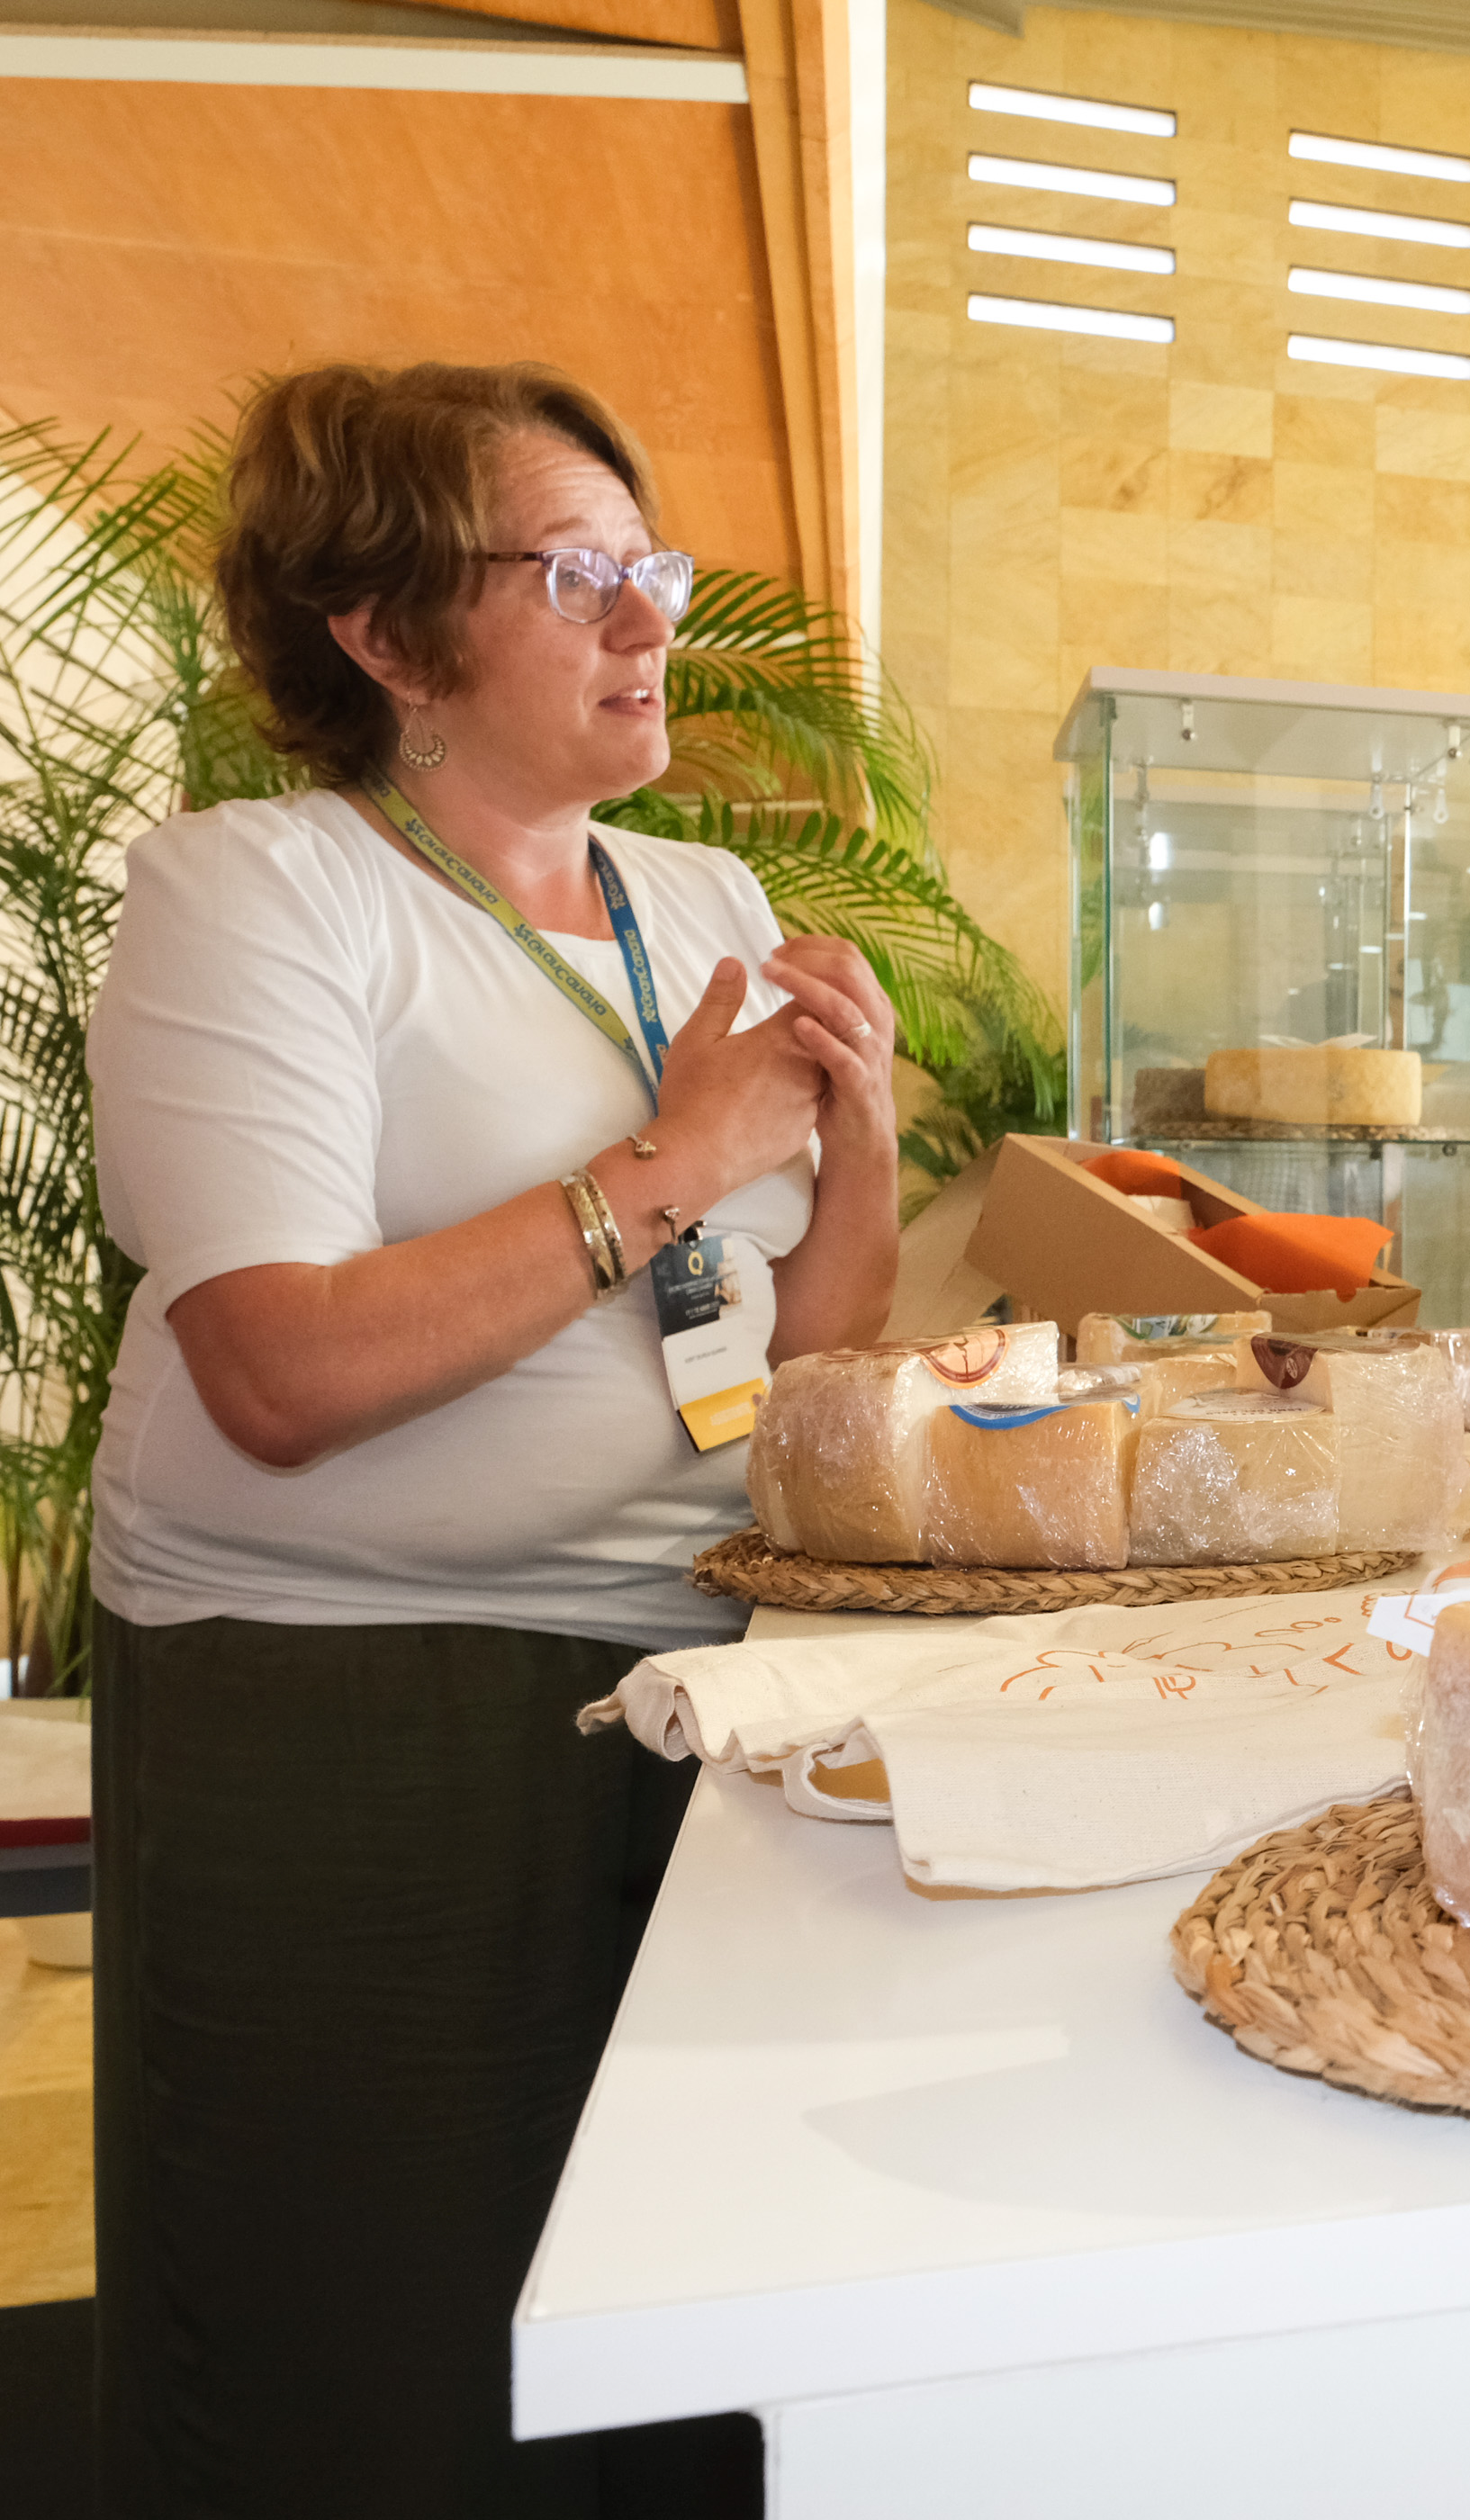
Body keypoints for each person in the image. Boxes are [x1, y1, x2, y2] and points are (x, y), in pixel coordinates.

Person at [86, 361, 900, 2513]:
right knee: (371, 2342)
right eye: (577, 573)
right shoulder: (259, 890)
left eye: (653, 569)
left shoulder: (703, 907)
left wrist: (868, 1148)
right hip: (348, 1693)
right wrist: (681, 1147)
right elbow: (277, 1374)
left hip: (692, 1676)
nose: (651, 622)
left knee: (660, 2323)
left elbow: (798, 1369)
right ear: (378, 629)